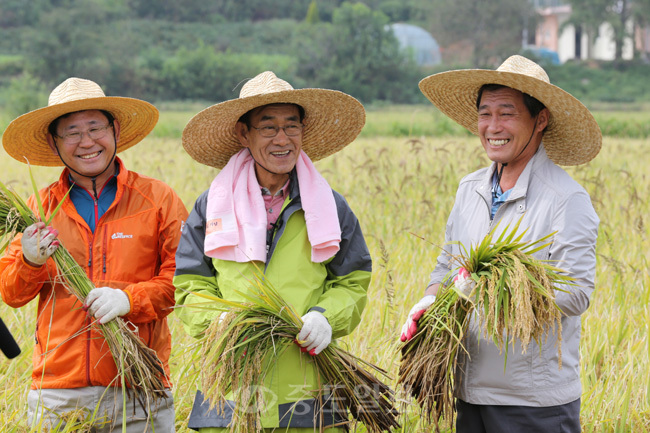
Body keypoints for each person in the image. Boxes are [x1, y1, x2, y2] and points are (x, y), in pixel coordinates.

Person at [400, 55, 601, 432]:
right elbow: (448, 264)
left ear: (540, 120)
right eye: (485, 113)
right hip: (469, 391)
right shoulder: (470, 188)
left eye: (507, 113)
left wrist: (493, 288)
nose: (493, 127)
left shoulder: (565, 199)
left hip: (530, 402)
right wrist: (430, 299)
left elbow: (575, 294)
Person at [174, 71, 371, 432]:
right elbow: (190, 285)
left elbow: (353, 281)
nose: (282, 139)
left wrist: (326, 317)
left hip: (308, 384)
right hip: (231, 385)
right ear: (243, 134)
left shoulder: (328, 206)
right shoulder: (212, 206)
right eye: (268, 127)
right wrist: (217, 320)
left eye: (291, 127)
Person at [0, 77, 188, 432]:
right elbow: (11, 294)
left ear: (114, 129)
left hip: (138, 392)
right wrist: (30, 261)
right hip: (57, 396)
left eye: (95, 127)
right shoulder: (38, 209)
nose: (86, 142)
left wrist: (128, 299)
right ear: (54, 143)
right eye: (71, 132)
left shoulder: (158, 200)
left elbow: (184, 283)